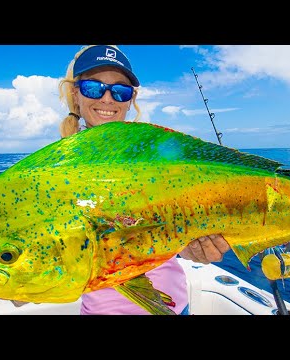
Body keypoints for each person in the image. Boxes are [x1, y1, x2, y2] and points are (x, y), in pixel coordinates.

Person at [58, 45, 230, 315]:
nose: (107, 99)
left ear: (130, 99)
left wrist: (195, 249)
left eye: (120, 91)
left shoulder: (157, 161)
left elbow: (169, 237)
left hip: (174, 308)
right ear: (75, 93)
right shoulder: (56, 169)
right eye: (93, 87)